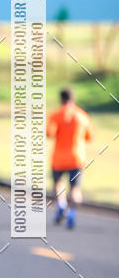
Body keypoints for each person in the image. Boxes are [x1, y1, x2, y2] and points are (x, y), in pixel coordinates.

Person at [46, 88, 93, 229]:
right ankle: (72, 214)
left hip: (59, 158)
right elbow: (89, 136)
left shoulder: (56, 115)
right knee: (75, 188)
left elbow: (49, 133)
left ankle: (61, 205)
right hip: (76, 158)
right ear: (73, 99)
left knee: (58, 184)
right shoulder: (82, 115)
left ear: (61, 99)